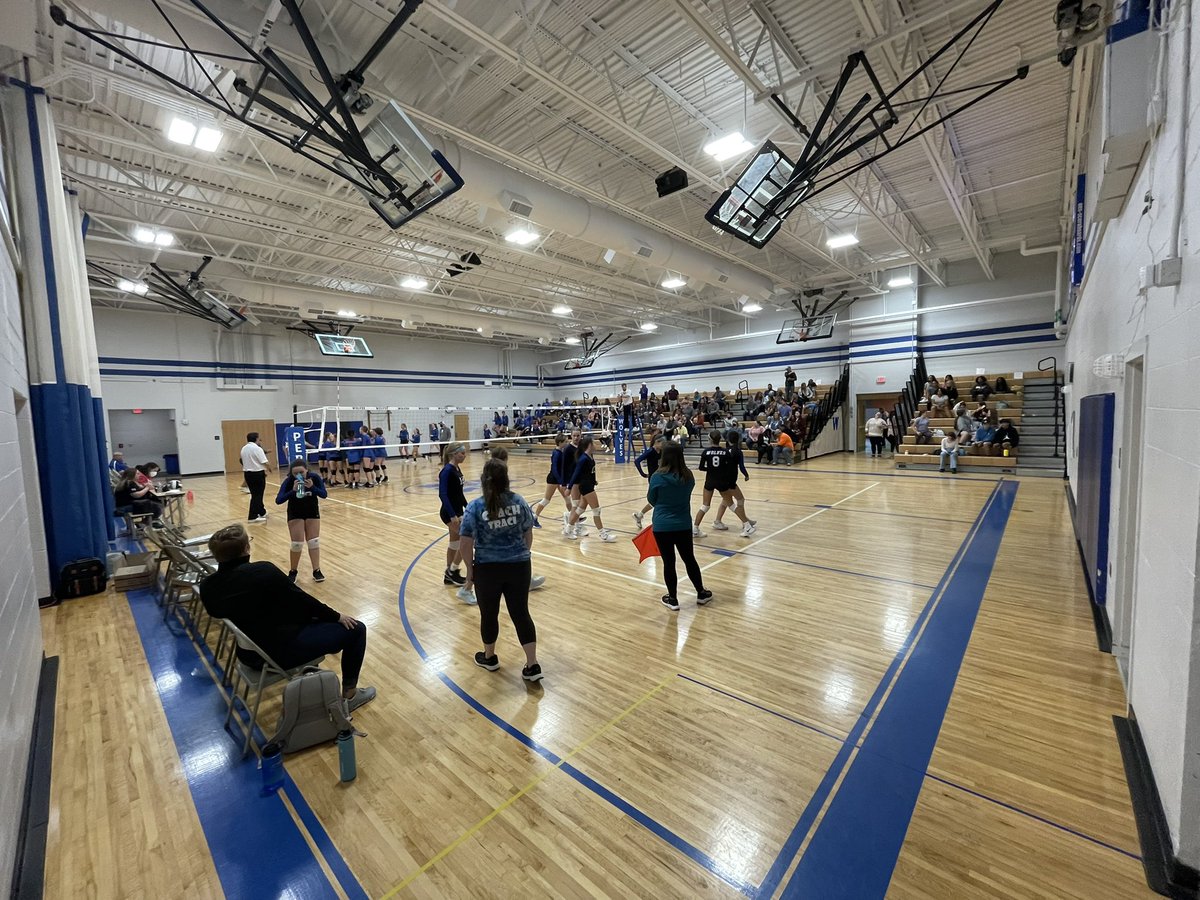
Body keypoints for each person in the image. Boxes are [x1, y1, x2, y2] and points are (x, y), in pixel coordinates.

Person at [200, 524, 375, 709]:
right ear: (246, 549)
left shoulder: (209, 586)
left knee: (317, 621)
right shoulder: (263, 572)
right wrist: (337, 616)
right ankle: (350, 696)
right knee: (356, 629)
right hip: (278, 654)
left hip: (248, 654)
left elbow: (221, 610)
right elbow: (303, 602)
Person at [459, 460, 542, 682]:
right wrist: (521, 555)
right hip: (519, 566)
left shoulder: (476, 507)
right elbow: (528, 533)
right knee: (521, 613)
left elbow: (465, 543)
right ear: (506, 478)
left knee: (489, 614)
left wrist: (470, 570)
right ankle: (532, 665)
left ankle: (490, 657)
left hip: (488, 568)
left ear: (483, 480)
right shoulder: (519, 501)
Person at [647, 443, 712, 611]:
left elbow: (652, 500)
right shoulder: (688, 476)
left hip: (662, 526)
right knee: (689, 559)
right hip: (683, 524)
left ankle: (673, 599)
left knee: (669, 562)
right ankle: (701, 593)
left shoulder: (657, 477)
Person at [274, 458, 327, 582]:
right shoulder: (289, 481)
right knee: (297, 544)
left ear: (307, 470)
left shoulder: (314, 478)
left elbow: (324, 494)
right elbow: (279, 500)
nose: (299, 475)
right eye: (295, 473)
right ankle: (293, 571)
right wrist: (292, 491)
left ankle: (317, 570)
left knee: (313, 541)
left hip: (312, 511)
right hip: (295, 513)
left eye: (301, 472)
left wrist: (313, 487)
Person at [438, 442, 474, 603]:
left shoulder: (457, 469)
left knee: (454, 543)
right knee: (466, 541)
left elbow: (459, 493)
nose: (464, 455)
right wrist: (453, 515)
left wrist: (468, 507)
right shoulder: (446, 471)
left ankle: (449, 574)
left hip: (458, 510)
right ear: (454, 454)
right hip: (449, 512)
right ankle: (453, 571)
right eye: (462, 453)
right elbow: (443, 495)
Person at [564, 435, 616, 542]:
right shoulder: (583, 459)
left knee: (580, 510)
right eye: (594, 443)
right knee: (596, 510)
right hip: (586, 487)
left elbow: (590, 472)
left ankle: (568, 529)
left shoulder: (590, 456)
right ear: (589, 445)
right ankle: (603, 535)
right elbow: (576, 474)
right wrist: (569, 488)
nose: (596, 444)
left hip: (589, 485)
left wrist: (594, 480)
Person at [710, 430, 756, 536]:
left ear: (727, 439)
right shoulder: (738, 451)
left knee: (725, 501)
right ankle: (745, 522)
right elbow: (742, 467)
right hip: (730, 481)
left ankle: (717, 521)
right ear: (738, 439)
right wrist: (746, 475)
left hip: (722, 479)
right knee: (740, 499)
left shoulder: (724, 450)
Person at [531, 433, 572, 526]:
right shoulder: (556, 453)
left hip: (559, 479)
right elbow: (554, 469)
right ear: (560, 443)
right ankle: (534, 518)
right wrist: (561, 482)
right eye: (566, 442)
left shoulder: (561, 451)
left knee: (567, 498)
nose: (567, 443)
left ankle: (573, 517)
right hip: (553, 479)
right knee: (546, 500)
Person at [632, 433, 666, 527]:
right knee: (656, 500)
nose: (664, 445)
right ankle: (650, 519)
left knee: (658, 500)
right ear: (657, 442)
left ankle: (640, 515)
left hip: (661, 477)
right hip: (653, 479)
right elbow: (637, 461)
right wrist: (643, 474)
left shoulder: (661, 451)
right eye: (663, 443)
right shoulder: (650, 451)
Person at [240, 432, 271, 523]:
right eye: (259, 439)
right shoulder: (257, 449)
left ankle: (262, 512)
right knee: (257, 495)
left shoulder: (244, 448)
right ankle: (252, 516)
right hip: (257, 474)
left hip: (247, 474)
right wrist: (270, 469)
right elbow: (264, 461)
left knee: (256, 494)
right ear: (256, 439)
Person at [559, 430, 582, 536]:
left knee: (580, 505)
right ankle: (571, 527)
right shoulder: (568, 449)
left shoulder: (582, 446)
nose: (576, 438)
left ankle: (572, 522)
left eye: (578, 435)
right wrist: (564, 484)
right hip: (572, 480)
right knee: (576, 504)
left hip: (582, 479)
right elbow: (563, 467)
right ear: (571, 436)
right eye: (574, 436)